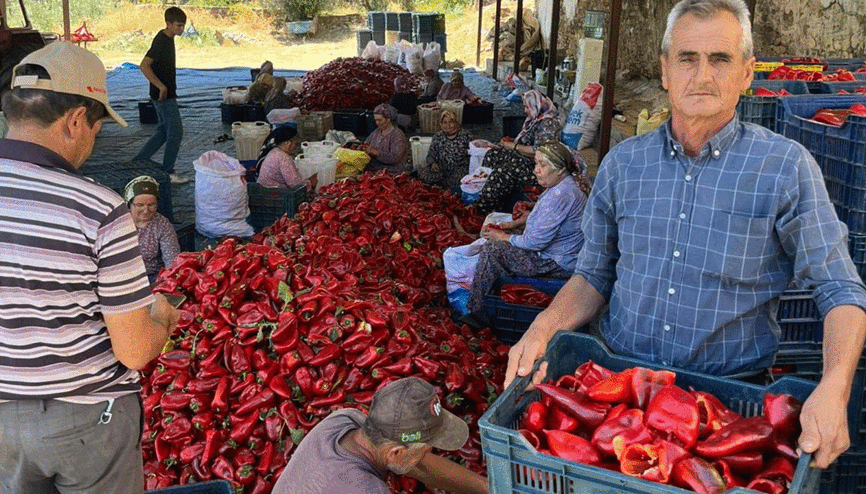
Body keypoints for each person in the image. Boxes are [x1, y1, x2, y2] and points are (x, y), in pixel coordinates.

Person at [505, 0, 866, 471]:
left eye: (720, 59)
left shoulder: (784, 168)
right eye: (687, 58)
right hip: (620, 393)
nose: (702, 74)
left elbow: (840, 288)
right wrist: (542, 328)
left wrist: (834, 388)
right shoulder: (623, 166)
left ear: (747, 73)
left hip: (729, 405)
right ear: (665, 71)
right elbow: (592, 277)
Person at [0, 42, 180, 494]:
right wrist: (163, 319)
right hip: (85, 420)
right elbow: (135, 351)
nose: (90, 144)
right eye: (97, 131)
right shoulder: (96, 207)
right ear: (76, 119)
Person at [272, 377, 488, 494]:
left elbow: (416, 463)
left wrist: (488, 488)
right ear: (395, 452)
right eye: (429, 447)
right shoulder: (366, 489)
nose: (430, 452)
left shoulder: (344, 420)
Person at [465, 141, 589, 317]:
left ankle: (477, 312)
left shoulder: (561, 194)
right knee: (503, 239)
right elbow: (547, 220)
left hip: (556, 263)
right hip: (557, 254)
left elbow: (534, 242)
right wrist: (513, 225)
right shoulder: (563, 185)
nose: (535, 170)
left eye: (542, 165)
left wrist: (503, 236)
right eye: (536, 163)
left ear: (560, 169)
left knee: (492, 249)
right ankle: (498, 295)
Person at [471, 89, 562, 214]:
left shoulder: (548, 123)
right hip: (523, 158)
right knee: (491, 155)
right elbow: (527, 140)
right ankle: (493, 201)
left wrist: (513, 146)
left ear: (537, 105)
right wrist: (511, 142)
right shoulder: (535, 119)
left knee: (503, 172)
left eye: (527, 107)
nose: (525, 111)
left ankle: (481, 209)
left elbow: (539, 151)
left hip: (537, 166)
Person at [133, 7, 188, 185]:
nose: (181, 29)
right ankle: (168, 171)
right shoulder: (162, 41)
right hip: (164, 96)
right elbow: (144, 66)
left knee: (163, 132)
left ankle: (139, 161)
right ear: (168, 24)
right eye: (178, 25)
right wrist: (161, 86)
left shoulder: (167, 38)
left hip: (165, 93)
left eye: (183, 26)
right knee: (176, 132)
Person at [124, 176, 181, 284]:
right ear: (129, 204)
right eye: (140, 205)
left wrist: (166, 281)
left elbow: (172, 260)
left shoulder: (162, 224)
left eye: (151, 205)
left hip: (152, 277)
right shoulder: (117, 223)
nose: (146, 210)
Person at [417, 110, 473, 190]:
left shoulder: (466, 136)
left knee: (456, 182)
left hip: (459, 168)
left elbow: (473, 154)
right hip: (441, 168)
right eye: (444, 122)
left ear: (456, 123)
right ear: (441, 124)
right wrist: (433, 164)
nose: (448, 125)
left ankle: (444, 186)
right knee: (424, 176)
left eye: (451, 122)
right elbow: (430, 155)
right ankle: (440, 185)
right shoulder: (438, 136)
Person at [256, 125, 317, 192]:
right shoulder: (283, 158)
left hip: (265, 191)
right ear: (289, 143)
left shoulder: (274, 151)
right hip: (275, 195)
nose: (294, 147)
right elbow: (295, 185)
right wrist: (310, 183)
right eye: (295, 143)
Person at [364, 103, 408, 174]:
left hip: (391, 172)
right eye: (376, 120)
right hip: (374, 170)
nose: (377, 123)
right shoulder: (376, 132)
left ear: (388, 119)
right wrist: (362, 148)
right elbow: (366, 143)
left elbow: (395, 158)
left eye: (380, 120)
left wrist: (376, 153)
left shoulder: (397, 135)